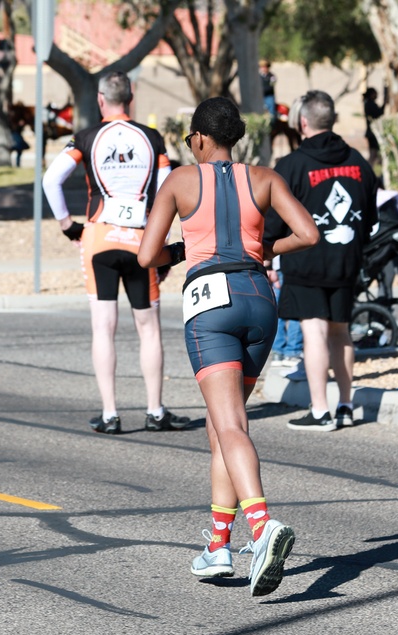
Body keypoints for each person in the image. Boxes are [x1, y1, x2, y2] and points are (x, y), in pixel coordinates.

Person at [137, 96, 318, 595]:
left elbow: (147, 255)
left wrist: (183, 250)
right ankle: (218, 545)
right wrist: (263, 249)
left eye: (189, 139)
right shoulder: (264, 178)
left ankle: (261, 528)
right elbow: (308, 234)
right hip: (259, 296)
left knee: (230, 424)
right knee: (222, 426)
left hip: (211, 302)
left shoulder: (180, 180)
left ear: (199, 137)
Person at [42, 70, 190, 435]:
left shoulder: (86, 137)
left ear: (100, 99)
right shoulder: (151, 138)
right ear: (131, 97)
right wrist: (163, 245)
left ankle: (110, 414)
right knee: (148, 328)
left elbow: (50, 179)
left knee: (103, 327)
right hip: (141, 240)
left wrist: (68, 225)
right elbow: (166, 191)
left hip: (100, 237)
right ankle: (155, 411)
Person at [264, 90, 378, 431]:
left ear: (302, 122)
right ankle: (345, 405)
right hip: (346, 261)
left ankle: (319, 411)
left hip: (306, 261)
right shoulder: (359, 162)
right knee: (341, 332)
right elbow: (370, 217)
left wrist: (267, 255)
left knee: (313, 330)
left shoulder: (291, 166)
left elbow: (273, 220)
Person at [363, 88, 384, 165]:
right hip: (372, 133)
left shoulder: (368, 103)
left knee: (375, 155)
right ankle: (367, 169)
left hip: (371, 133)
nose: (376, 95)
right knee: (373, 154)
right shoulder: (369, 104)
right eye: (375, 94)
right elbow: (378, 113)